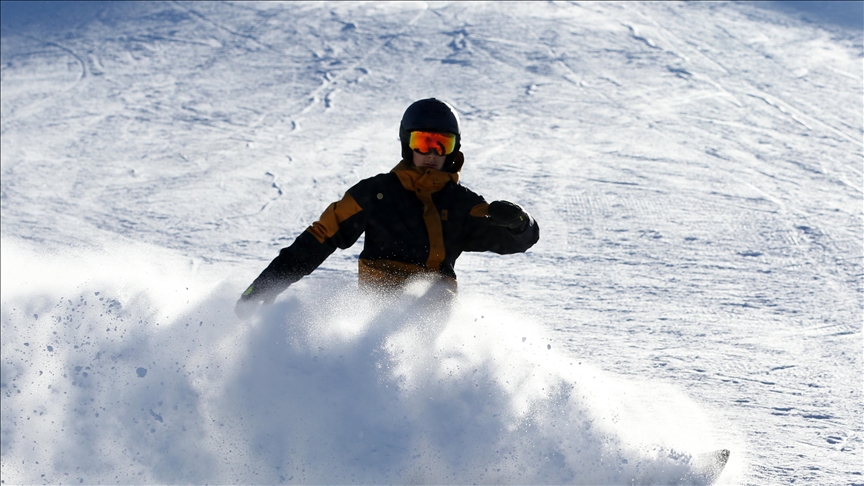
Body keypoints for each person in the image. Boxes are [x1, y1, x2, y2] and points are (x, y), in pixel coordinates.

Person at [235, 98, 539, 317]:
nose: (431, 153)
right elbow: (321, 236)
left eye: (441, 145)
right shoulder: (376, 193)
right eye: (423, 142)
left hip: (434, 307)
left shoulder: (463, 204)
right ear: (407, 144)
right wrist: (268, 284)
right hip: (378, 302)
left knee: (433, 303)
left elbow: (515, 240)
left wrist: (518, 223)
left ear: (453, 150)